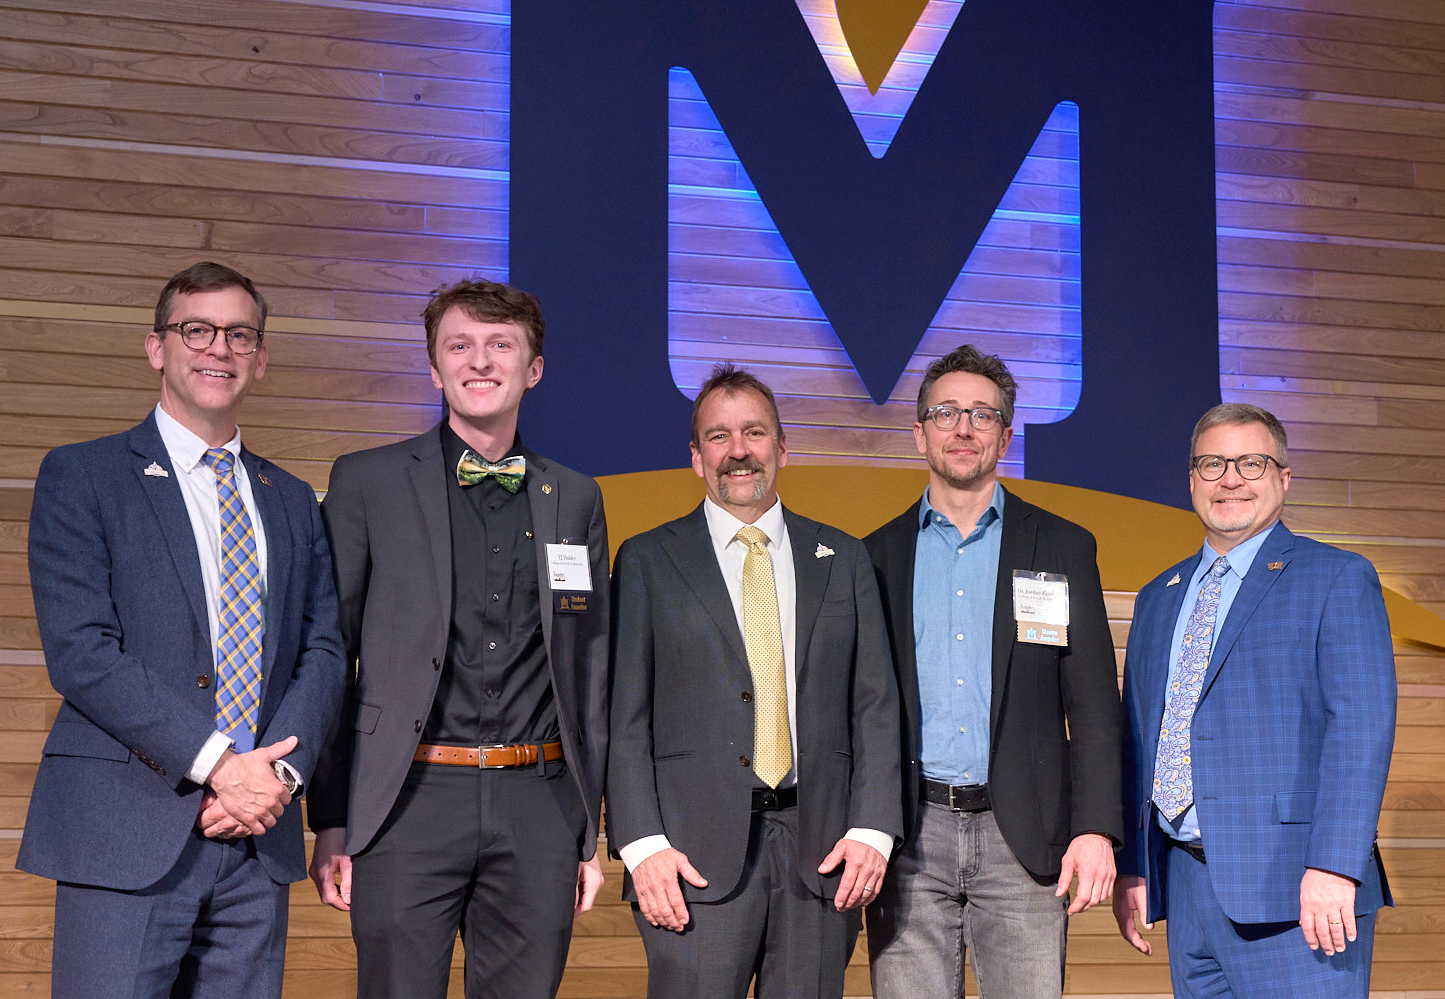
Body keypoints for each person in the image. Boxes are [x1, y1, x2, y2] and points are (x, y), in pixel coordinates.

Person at [18, 261, 346, 998]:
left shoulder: (292, 498)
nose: (218, 348)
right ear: (156, 348)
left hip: (257, 838)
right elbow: (81, 652)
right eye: (196, 330)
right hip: (127, 830)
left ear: (259, 357)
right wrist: (221, 765)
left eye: (238, 334)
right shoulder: (84, 475)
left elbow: (323, 650)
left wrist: (275, 779)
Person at [307, 279, 609, 999]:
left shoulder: (575, 496)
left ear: (534, 369)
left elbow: (590, 671)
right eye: (460, 345)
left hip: (539, 804)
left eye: (501, 345)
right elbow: (328, 654)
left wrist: (587, 830)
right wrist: (332, 818)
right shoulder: (367, 481)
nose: (480, 361)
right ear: (435, 366)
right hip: (405, 800)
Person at [605, 363, 902, 999]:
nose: (737, 450)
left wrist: (873, 830)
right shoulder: (646, 560)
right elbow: (623, 718)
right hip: (688, 862)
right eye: (718, 436)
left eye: (754, 432)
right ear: (696, 457)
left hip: (823, 857)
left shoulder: (844, 559)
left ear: (782, 448)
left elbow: (875, 706)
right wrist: (641, 844)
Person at [863, 345, 1123, 998]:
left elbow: (1094, 705)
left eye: (982, 415)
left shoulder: (1062, 546)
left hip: (1025, 838)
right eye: (946, 413)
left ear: (1005, 437)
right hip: (909, 839)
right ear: (919, 432)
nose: (963, 428)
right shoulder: (872, 557)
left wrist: (1095, 827)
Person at [1113, 403, 1396, 997]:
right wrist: (1134, 864)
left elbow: (1361, 729)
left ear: (1283, 478)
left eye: (1251, 463)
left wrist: (1335, 865)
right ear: (1192, 479)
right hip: (1184, 886)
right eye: (1213, 464)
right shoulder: (1158, 596)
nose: (1231, 479)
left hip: (1299, 891)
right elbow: (1139, 737)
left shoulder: (1336, 577)